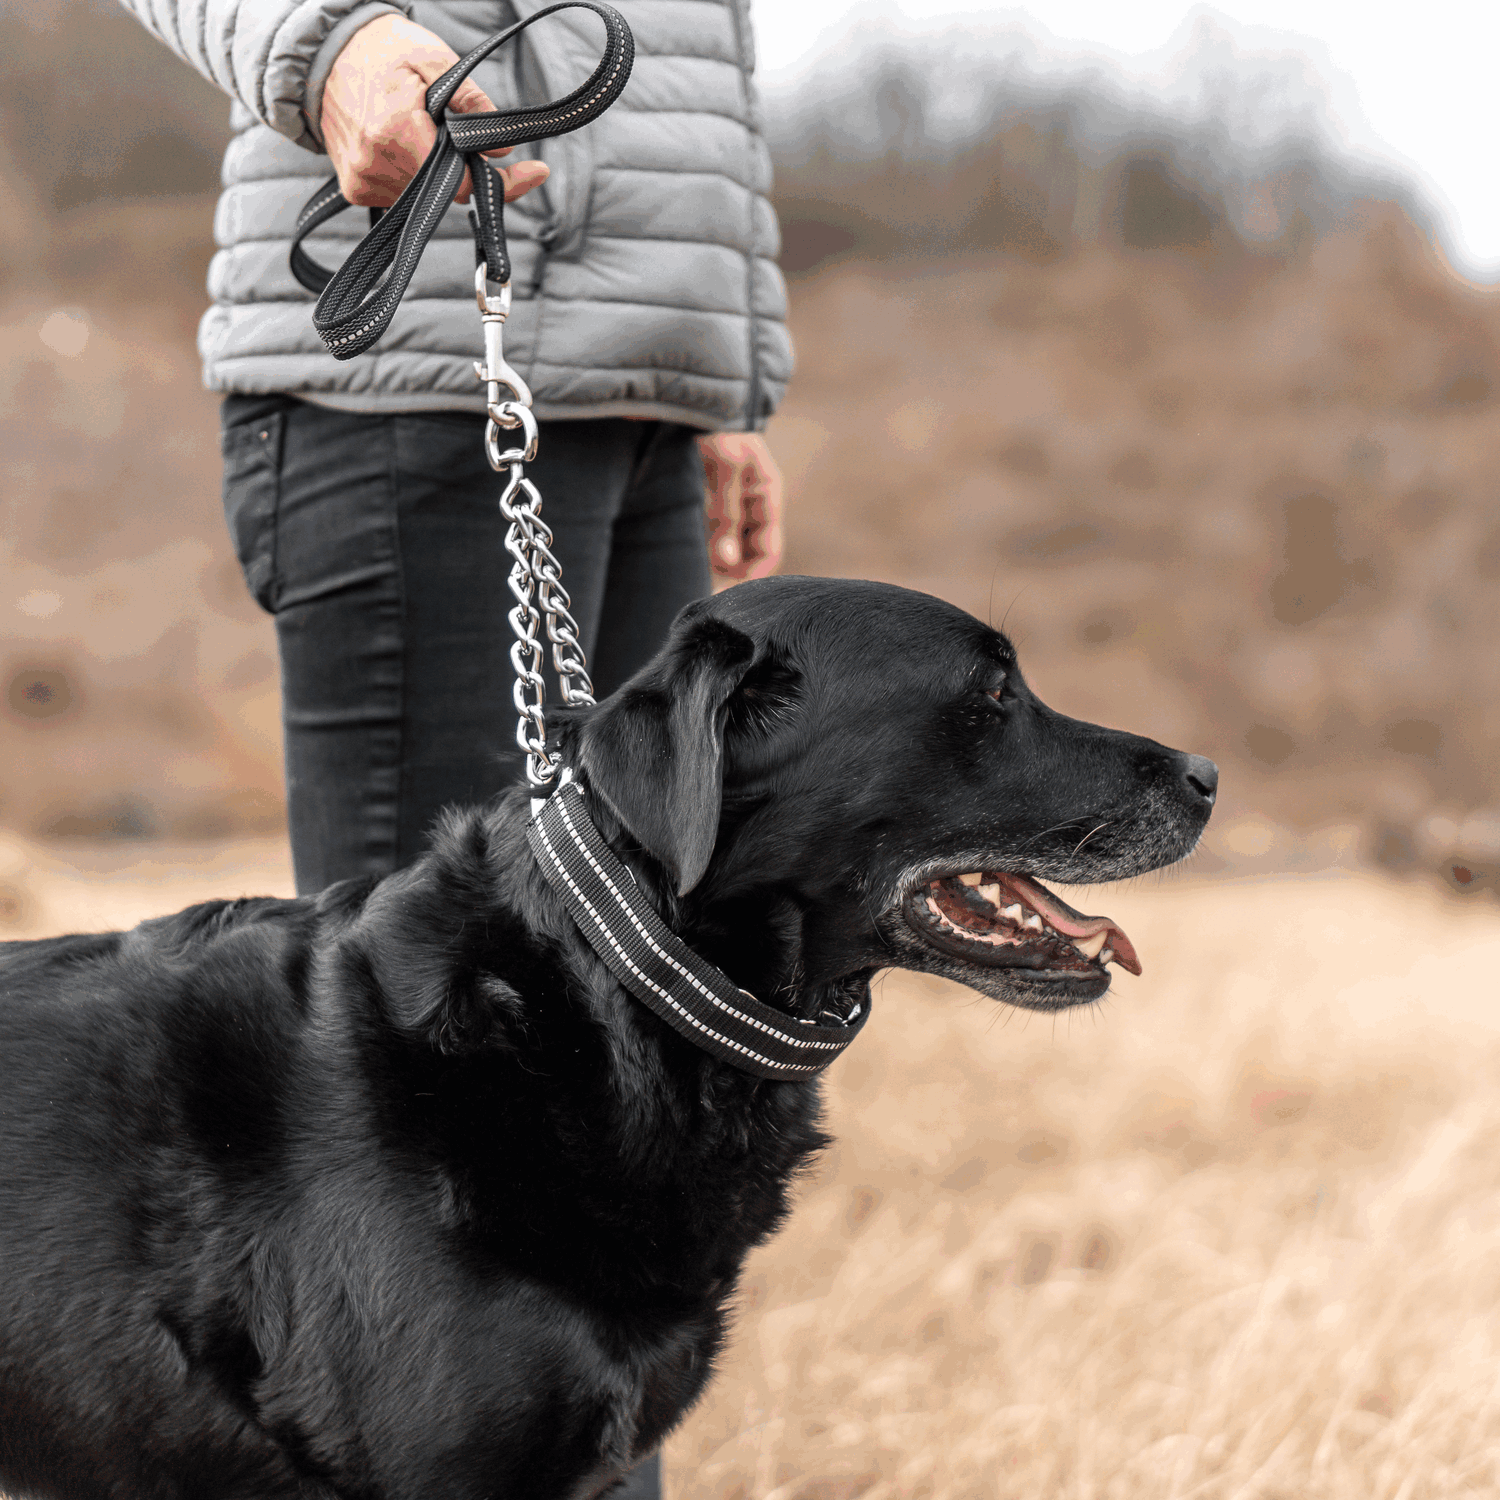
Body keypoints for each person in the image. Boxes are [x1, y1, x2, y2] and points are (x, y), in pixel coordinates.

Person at [119, 2, 795, 1493]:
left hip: (640, 401)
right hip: (419, 377)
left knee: (624, 1129)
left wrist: (720, 373)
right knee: (420, 1161)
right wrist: (328, 41)